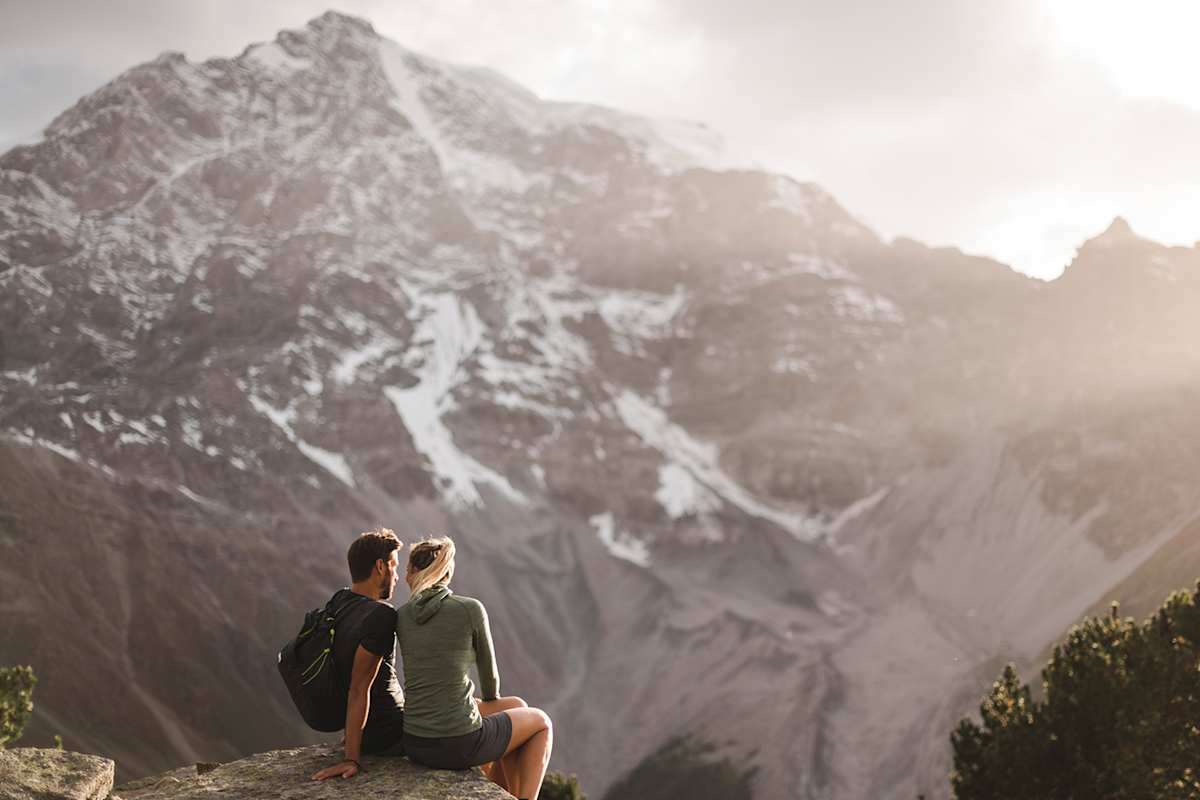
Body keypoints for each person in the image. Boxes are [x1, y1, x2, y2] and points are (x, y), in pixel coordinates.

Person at [396, 537, 553, 800]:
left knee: (517, 705)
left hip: (415, 741)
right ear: (447, 572)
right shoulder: (469, 609)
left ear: (411, 572)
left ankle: (500, 794)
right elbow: (490, 680)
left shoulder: (402, 615)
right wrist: (481, 702)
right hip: (457, 743)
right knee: (541, 723)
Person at [311, 527, 407, 781]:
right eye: (394, 566)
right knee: (515, 713)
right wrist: (351, 759)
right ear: (380, 567)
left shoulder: (339, 602)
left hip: (369, 731)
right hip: (393, 734)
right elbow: (358, 688)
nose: (397, 576)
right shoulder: (381, 615)